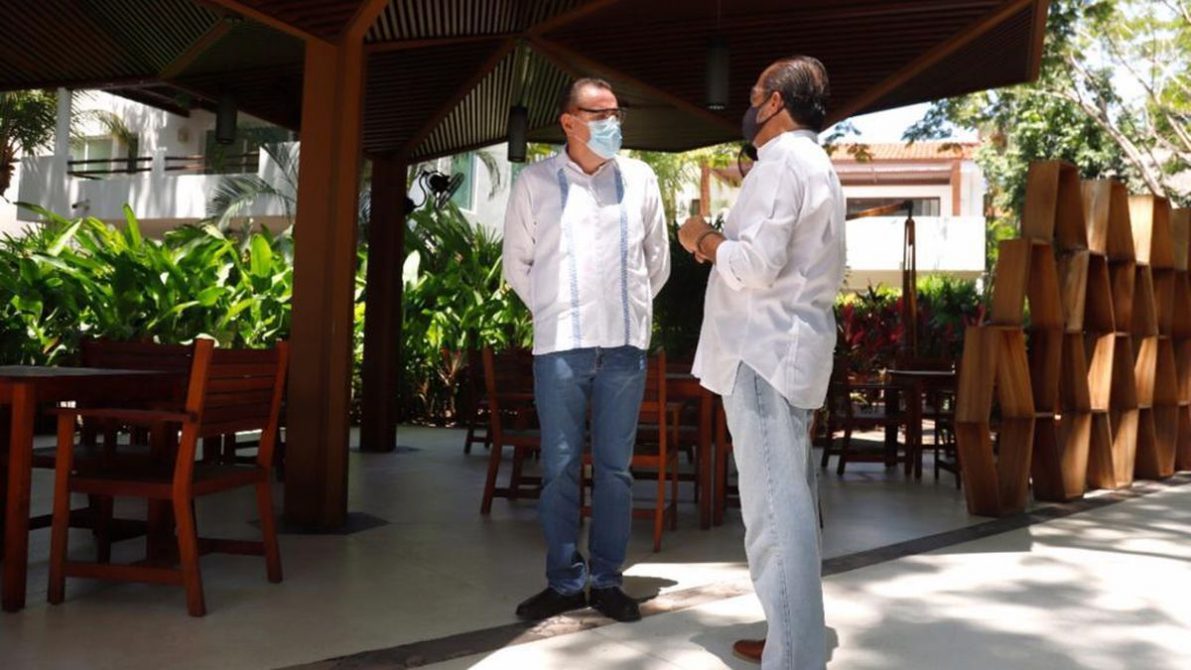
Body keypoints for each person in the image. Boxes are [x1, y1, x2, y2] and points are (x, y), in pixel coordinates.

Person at [678, 55, 845, 668]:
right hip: (785, 350)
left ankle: (793, 654)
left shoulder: (781, 164)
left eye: (754, 95)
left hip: (763, 353)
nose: (749, 106)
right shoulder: (813, 164)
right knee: (789, 503)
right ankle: (790, 637)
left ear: (776, 102)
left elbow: (753, 265)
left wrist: (701, 237)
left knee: (774, 512)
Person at [502, 77, 671, 623]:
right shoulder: (535, 182)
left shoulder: (641, 179)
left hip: (624, 347)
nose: (611, 124)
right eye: (599, 115)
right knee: (559, 467)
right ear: (569, 121)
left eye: (616, 114)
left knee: (616, 470)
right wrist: (556, 312)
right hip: (561, 348)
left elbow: (657, 261)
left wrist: (629, 313)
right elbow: (518, 263)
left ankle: (607, 580)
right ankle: (564, 581)